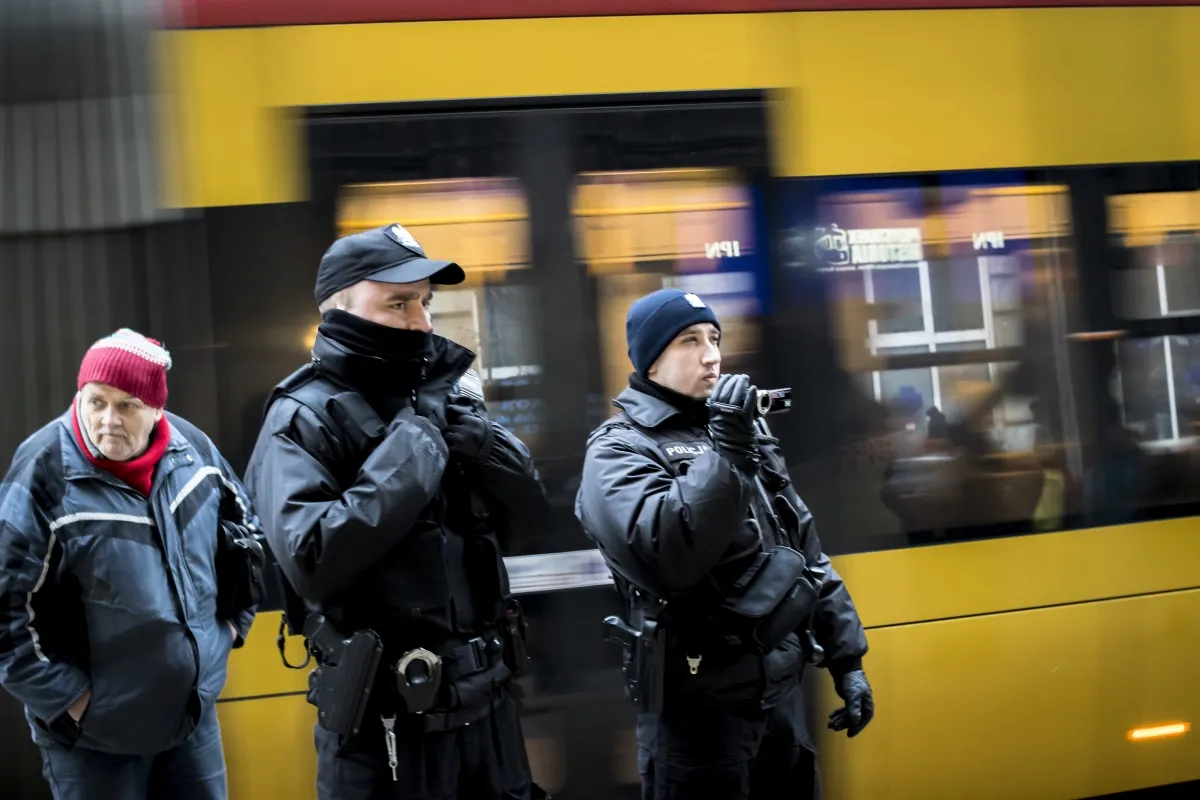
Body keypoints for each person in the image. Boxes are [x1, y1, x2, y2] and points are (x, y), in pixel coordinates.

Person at [244, 223, 550, 800]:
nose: (422, 322)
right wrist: (413, 452)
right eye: (399, 303)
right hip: (387, 732)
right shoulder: (302, 418)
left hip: (490, 716)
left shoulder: (448, 398)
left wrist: (487, 449)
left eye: (426, 303)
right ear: (341, 309)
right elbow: (312, 559)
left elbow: (533, 528)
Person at [575, 288, 874, 800]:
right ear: (650, 361)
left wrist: (848, 660)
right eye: (689, 341)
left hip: (780, 704)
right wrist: (728, 454)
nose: (711, 355)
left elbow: (803, 547)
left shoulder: (739, 432)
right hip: (698, 720)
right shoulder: (618, 449)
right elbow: (669, 555)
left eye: (714, 338)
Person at [0, 328, 263, 800]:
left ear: (157, 409)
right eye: (96, 401)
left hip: (191, 720)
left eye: (128, 406)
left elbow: (246, 535)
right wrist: (71, 702)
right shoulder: (43, 471)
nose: (108, 420)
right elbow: (4, 612)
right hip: (95, 737)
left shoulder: (194, 452)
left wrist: (227, 633)